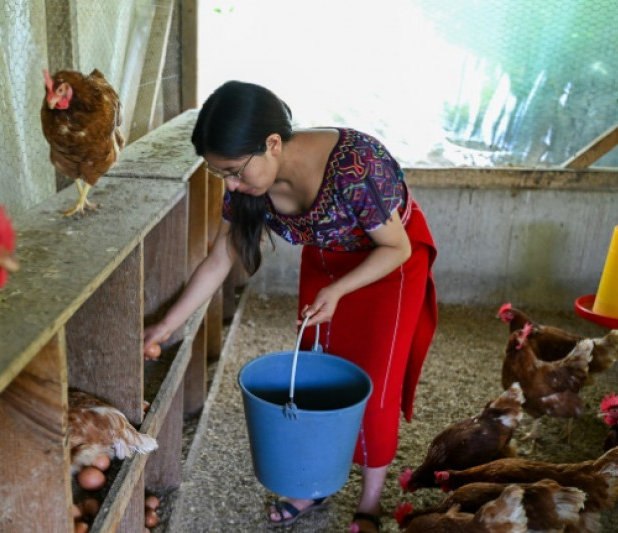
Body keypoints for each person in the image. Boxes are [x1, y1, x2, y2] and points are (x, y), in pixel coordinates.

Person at [142, 80, 438, 532]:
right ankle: (312, 482)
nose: (231, 184)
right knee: (317, 374)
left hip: (389, 264)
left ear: (273, 143)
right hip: (325, 259)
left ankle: (371, 500)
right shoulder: (248, 184)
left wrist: (338, 291)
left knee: (374, 385)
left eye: (234, 171)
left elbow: (395, 247)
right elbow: (221, 257)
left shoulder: (356, 167)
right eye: (220, 174)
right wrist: (166, 326)